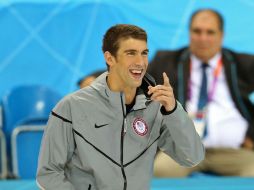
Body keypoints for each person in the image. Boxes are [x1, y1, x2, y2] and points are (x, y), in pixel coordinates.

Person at [36, 24, 204, 190]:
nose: (140, 62)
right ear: (110, 58)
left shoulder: (156, 107)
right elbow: (48, 174)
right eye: (131, 53)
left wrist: (173, 111)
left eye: (144, 53)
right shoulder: (70, 107)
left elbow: (192, 157)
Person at [148, 9, 254, 177]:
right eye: (197, 31)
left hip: (234, 151)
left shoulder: (242, 63)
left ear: (221, 35)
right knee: (160, 171)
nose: (203, 38)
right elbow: (133, 78)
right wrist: (94, 78)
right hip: (183, 149)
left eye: (210, 32)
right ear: (189, 33)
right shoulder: (167, 61)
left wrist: (251, 135)